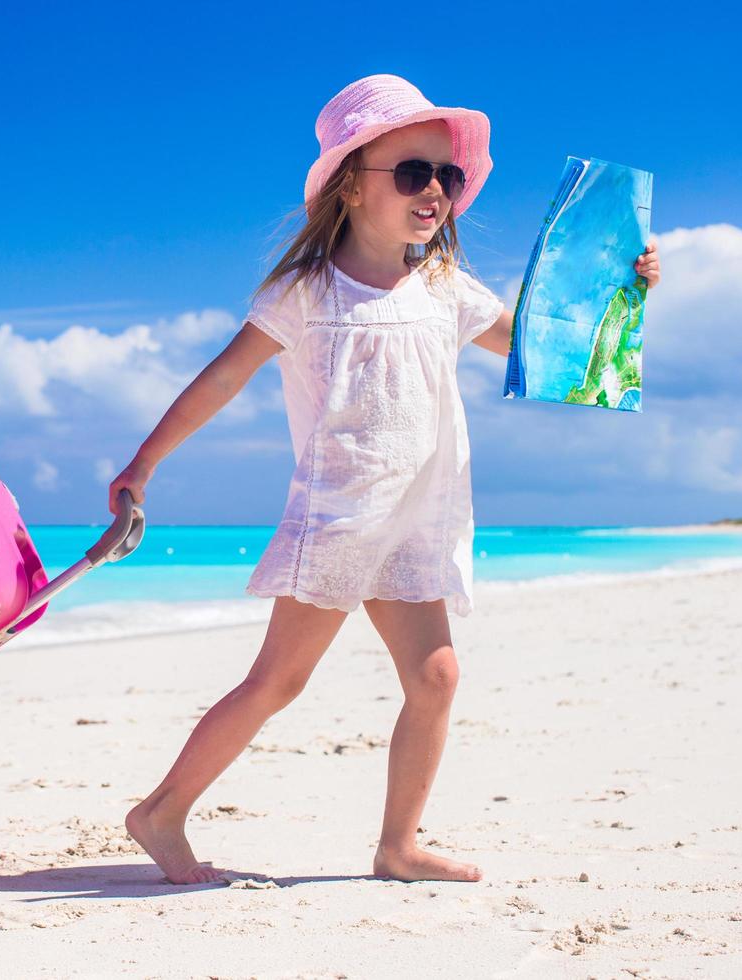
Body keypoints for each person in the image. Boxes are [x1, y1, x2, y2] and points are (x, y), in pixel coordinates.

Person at [107, 74, 663, 885]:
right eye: (412, 172)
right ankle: (159, 813)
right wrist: (144, 463)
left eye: (448, 175)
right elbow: (221, 381)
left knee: (436, 677)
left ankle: (398, 846)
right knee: (278, 682)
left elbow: (545, 352)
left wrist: (625, 289)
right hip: (340, 517)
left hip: (416, 519)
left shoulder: (444, 288)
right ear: (349, 186)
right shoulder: (304, 293)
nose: (435, 190)